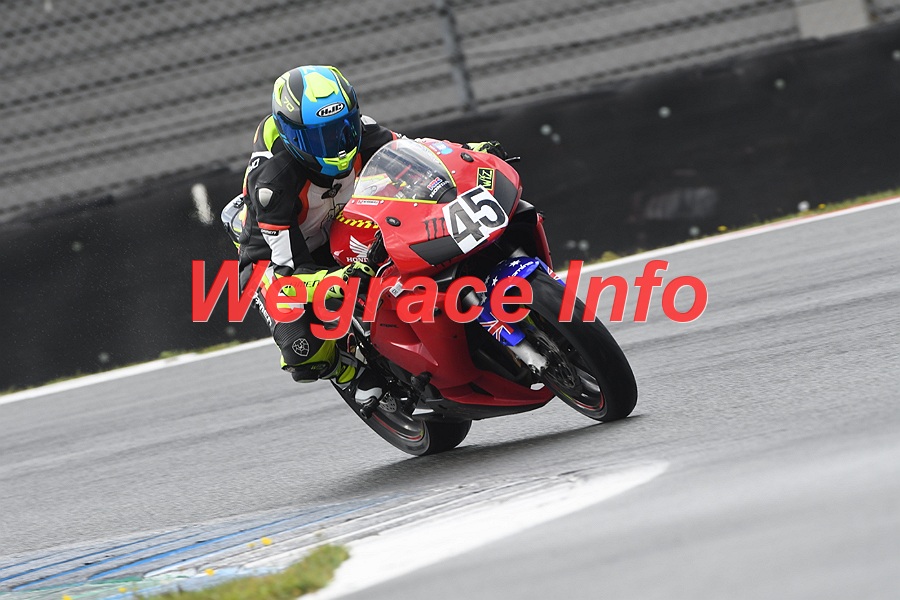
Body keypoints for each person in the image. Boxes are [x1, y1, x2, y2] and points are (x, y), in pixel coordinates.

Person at [221, 65, 506, 404]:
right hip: (279, 258)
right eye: (320, 137)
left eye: (342, 129)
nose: (337, 145)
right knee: (303, 352)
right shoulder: (273, 185)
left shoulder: (363, 131)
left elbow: (420, 153)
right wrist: (336, 279)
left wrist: (470, 152)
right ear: (292, 136)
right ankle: (349, 373)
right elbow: (289, 275)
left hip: (340, 221)